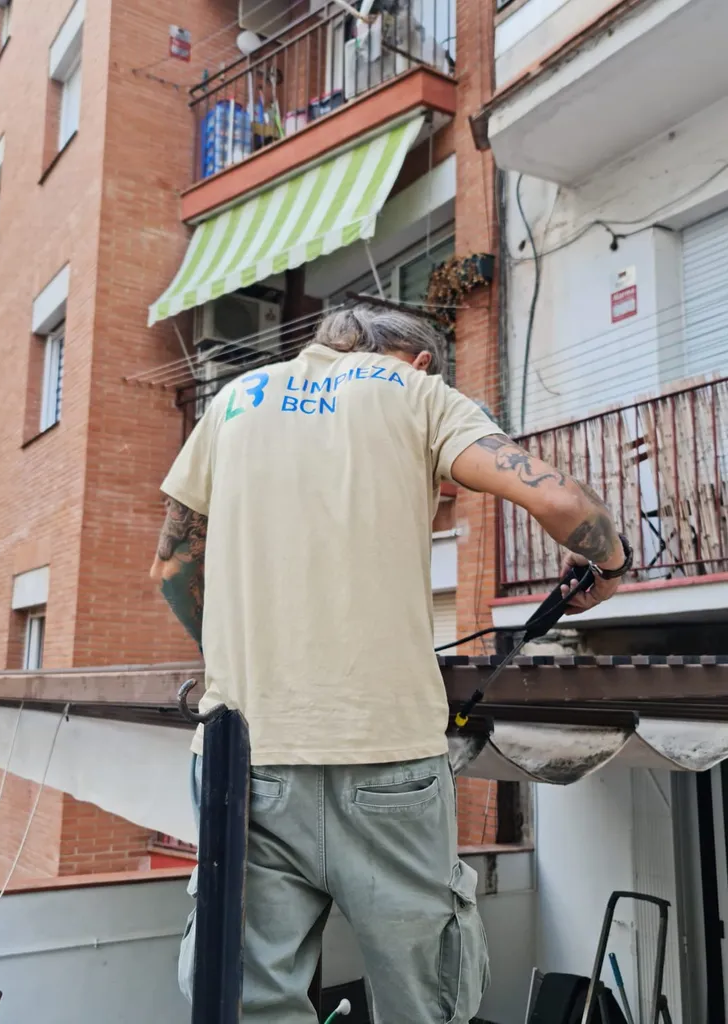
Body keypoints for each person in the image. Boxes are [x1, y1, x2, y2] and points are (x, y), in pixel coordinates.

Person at [150, 306, 630, 1023]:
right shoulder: (417, 394)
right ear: (421, 361)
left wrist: (236, 656)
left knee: (247, 1003)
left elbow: (172, 570)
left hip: (244, 759)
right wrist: (610, 564)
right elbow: (560, 500)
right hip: (389, 758)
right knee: (425, 1001)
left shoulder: (231, 402)